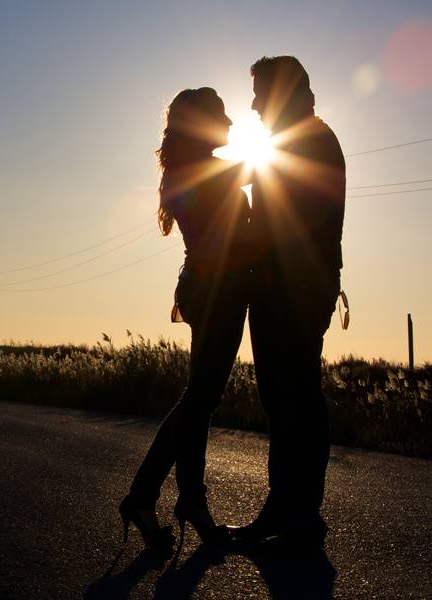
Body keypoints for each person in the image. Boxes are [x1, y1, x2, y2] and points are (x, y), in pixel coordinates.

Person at [119, 87, 250, 556]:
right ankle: (149, 497)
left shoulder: (193, 169)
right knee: (200, 399)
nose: (232, 123)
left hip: (210, 290)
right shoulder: (204, 171)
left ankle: (184, 502)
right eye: (221, 115)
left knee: (200, 401)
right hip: (215, 292)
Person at [229, 56, 346, 552]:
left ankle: (300, 513)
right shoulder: (297, 140)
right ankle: (289, 509)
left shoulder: (309, 142)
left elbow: (282, 225)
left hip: (294, 289)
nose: (253, 104)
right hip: (287, 286)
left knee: (294, 395)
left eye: (260, 93)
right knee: (284, 397)